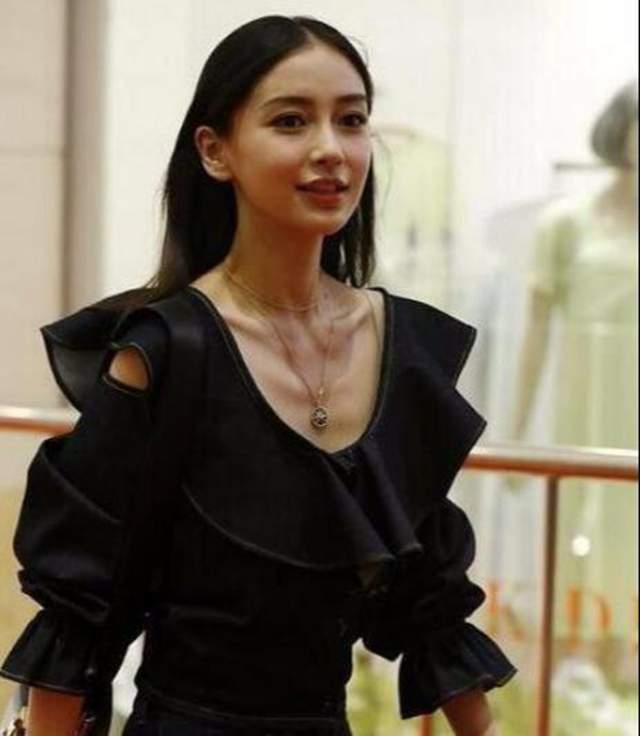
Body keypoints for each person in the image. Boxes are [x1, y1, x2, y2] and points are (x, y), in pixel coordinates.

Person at [0, 15, 516, 736]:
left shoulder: (401, 347)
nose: (330, 149)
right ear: (215, 151)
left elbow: (429, 597)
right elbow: (81, 609)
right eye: (291, 121)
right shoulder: (165, 351)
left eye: (352, 120)